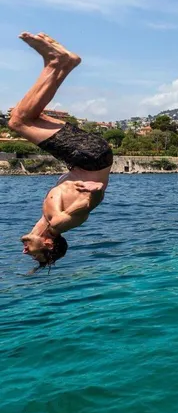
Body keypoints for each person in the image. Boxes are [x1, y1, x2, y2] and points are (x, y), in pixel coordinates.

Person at [9, 32, 113, 272]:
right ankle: (58, 62)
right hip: (89, 158)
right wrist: (96, 192)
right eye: (35, 256)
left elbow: (37, 230)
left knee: (23, 116)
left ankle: (60, 63)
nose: (26, 252)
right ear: (48, 243)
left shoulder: (46, 221)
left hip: (88, 157)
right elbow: (87, 207)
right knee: (18, 122)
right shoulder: (59, 222)